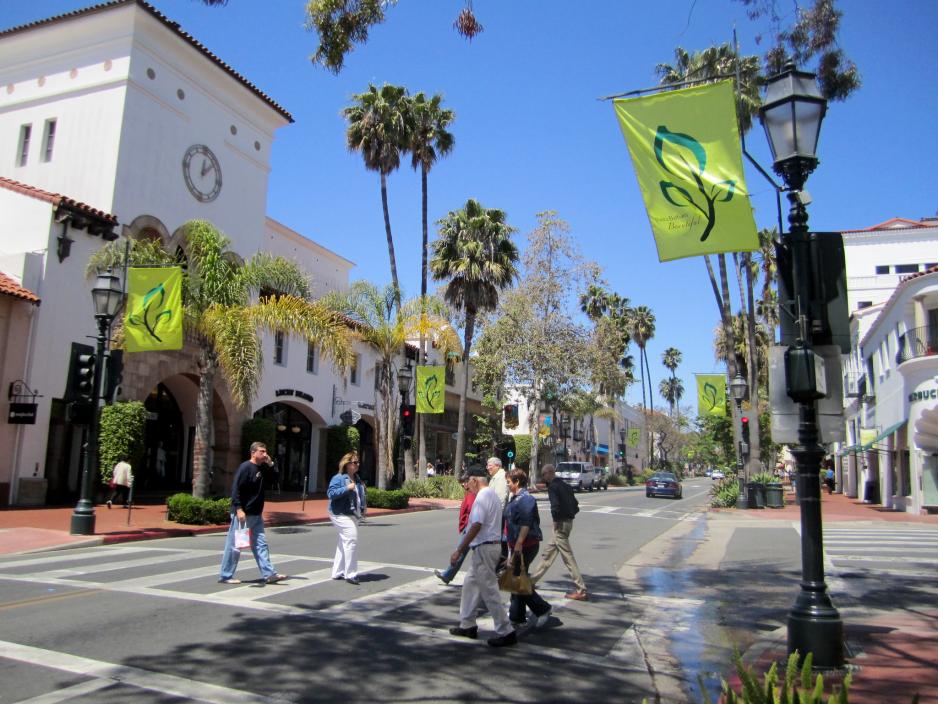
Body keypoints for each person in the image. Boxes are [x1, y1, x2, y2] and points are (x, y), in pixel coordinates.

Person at [448, 465, 516, 648]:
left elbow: (476, 524)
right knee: (470, 584)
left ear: (475, 480)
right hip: (489, 546)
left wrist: (459, 549)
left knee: (489, 591)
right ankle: (467, 624)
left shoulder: (481, 497)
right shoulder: (492, 495)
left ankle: (506, 630)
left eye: (467, 480)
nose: (466, 485)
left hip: (484, 547)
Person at [218, 442, 286, 585]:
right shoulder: (245, 468)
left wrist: (271, 464)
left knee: (261, 544)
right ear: (253, 452)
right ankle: (226, 575)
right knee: (235, 545)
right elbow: (236, 489)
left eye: (266, 451)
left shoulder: (262, 468)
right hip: (243, 514)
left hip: (256, 514)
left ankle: (269, 574)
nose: (265, 454)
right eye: (262, 451)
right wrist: (238, 509)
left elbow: (275, 480)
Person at [529, 464, 588, 601]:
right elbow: (576, 505)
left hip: (560, 525)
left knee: (568, 557)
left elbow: (554, 507)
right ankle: (531, 582)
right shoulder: (565, 486)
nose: (543, 478)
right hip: (568, 522)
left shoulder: (554, 488)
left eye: (544, 475)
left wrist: (555, 524)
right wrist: (569, 515)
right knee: (548, 554)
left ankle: (581, 590)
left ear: (550, 473)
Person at [504, 469, 553, 628]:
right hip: (517, 545)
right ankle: (516, 616)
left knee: (518, 581)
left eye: (509, 481)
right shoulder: (515, 498)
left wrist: (518, 544)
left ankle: (542, 608)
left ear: (517, 482)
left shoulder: (526, 499)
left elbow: (526, 523)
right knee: (517, 579)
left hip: (526, 545)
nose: (507, 484)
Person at [328, 452, 367, 585]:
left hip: (351, 514)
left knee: (343, 542)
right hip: (339, 513)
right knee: (351, 539)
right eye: (354, 462)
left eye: (358, 462)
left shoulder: (356, 478)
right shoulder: (339, 478)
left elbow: (358, 498)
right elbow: (331, 493)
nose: (357, 465)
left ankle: (337, 572)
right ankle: (350, 574)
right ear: (347, 464)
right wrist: (346, 488)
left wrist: (362, 509)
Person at [434, 472, 476, 584]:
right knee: (463, 552)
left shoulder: (472, 495)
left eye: (464, 483)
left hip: (470, 527)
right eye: (462, 484)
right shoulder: (470, 494)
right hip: (469, 526)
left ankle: (447, 575)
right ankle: (447, 575)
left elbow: (471, 510)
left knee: (460, 551)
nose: (463, 486)